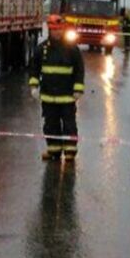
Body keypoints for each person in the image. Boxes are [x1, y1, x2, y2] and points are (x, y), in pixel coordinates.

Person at [30, 15, 85, 161]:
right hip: (48, 97)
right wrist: (34, 87)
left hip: (67, 97)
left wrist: (78, 89)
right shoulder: (41, 49)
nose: (57, 33)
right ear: (49, 30)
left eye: (59, 29)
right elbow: (34, 68)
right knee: (50, 126)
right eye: (54, 30)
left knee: (69, 125)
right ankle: (53, 151)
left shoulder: (72, 49)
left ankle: (70, 153)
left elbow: (79, 70)